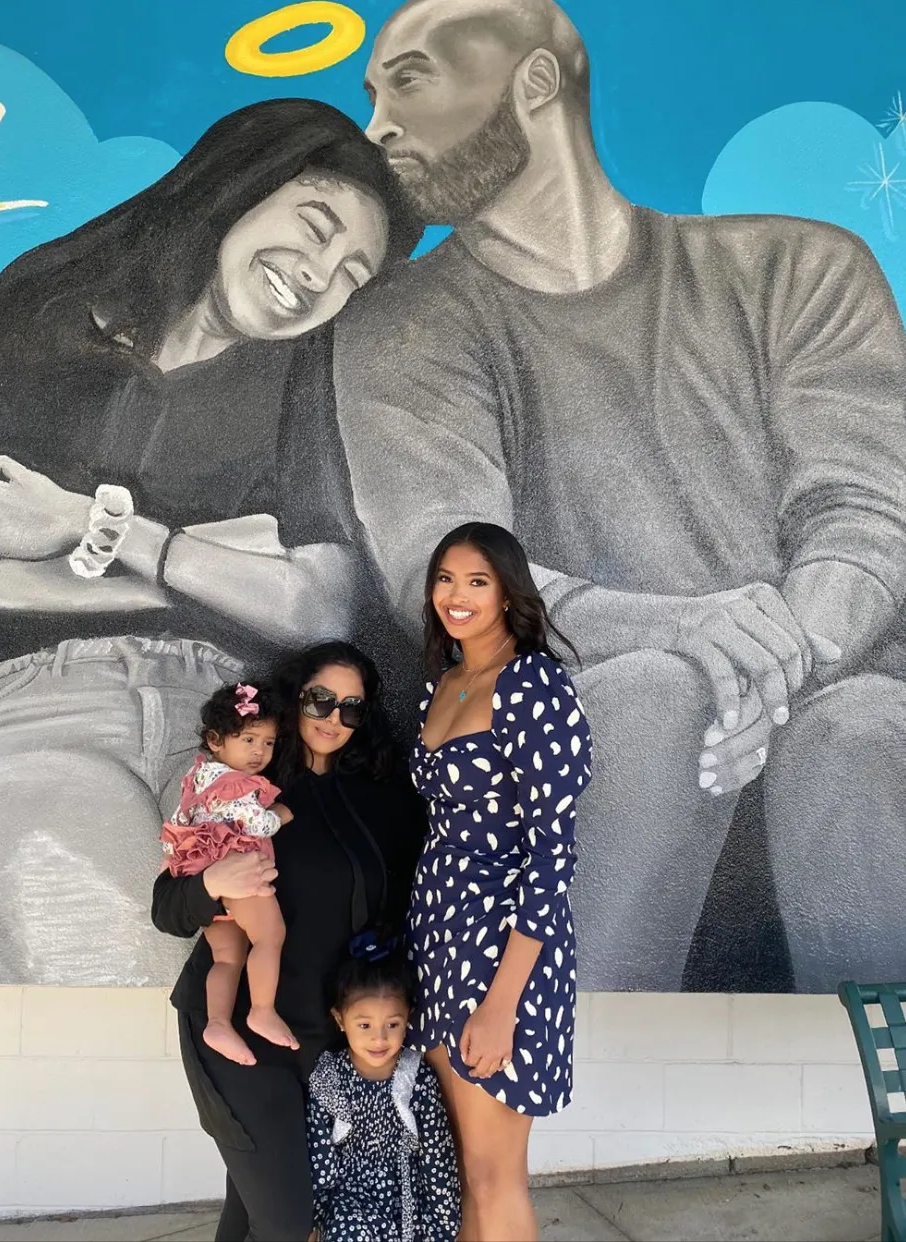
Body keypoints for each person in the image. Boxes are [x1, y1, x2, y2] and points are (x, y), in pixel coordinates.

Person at [334, 0, 906, 994]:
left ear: (535, 84)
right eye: (372, 95)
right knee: (651, 694)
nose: (377, 126)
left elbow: (864, 513)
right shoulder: (400, 325)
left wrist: (777, 665)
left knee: (856, 727)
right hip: (590, 726)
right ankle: (569, 1066)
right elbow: (443, 570)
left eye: (410, 82)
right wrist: (683, 633)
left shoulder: (799, 267)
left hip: (824, 699)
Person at [0, 98, 420, 985]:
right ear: (242, 188)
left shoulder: (312, 376)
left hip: (240, 729)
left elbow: (316, 606)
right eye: (314, 228)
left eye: (353, 272)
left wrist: (86, 525)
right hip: (41, 711)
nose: (318, 277)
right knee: (120, 985)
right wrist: (233, 561)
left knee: (282, 1000)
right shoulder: (37, 310)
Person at [153, 642, 426, 1242]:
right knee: (288, 1224)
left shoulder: (379, 796)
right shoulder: (246, 788)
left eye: (351, 707)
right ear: (293, 698)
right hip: (237, 1035)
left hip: (323, 1044)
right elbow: (167, 908)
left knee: (254, 1213)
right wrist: (212, 883)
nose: (334, 718)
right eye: (320, 700)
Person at [408, 523, 591, 1242]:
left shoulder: (535, 685)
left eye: (477, 582)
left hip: (502, 951)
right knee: (462, 1173)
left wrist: (502, 1004)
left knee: (494, 1175)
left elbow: (552, 856)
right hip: (438, 938)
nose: (456, 596)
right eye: (445, 578)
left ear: (509, 593)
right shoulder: (444, 682)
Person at [161, 682, 299, 1062]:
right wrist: (279, 815)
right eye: (248, 739)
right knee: (270, 936)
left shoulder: (200, 777)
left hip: (206, 876)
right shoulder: (235, 783)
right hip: (238, 872)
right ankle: (262, 1011)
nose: (259, 751)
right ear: (215, 740)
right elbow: (256, 823)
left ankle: (218, 1023)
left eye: (268, 742)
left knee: (227, 957)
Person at [306, 929, 460, 1242]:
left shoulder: (416, 1077)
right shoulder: (330, 1076)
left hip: (406, 1199)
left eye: (392, 1024)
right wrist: (313, 1219)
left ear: (408, 1018)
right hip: (348, 1199)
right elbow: (320, 1157)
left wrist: (443, 1223)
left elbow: (436, 1154)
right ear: (340, 1020)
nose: (379, 1038)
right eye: (364, 1025)